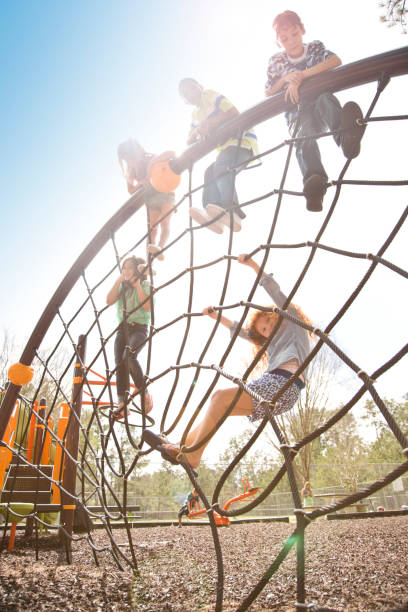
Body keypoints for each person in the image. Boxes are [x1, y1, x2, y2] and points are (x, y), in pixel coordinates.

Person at [145, 254, 314, 469]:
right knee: (219, 406)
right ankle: (183, 446)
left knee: (219, 397)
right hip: (271, 385)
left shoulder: (294, 323)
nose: (268, 329)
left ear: (276, 315)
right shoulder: (270, 344)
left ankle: (194, 455)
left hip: (284, 386)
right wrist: (218, 317)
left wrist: (253, 265)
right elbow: (244, 333)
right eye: (263, 329)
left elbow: (275, 292)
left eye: (269, 322)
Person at [265, 10, 365, 212]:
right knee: (304, 133)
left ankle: (347, 138)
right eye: (284, 38)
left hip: (319, 103)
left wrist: (301, 75)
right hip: (297, 111)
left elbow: (335, 61)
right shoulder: (277, 61)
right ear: (278, 42)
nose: (291, 41)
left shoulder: (314, 48)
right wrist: (285, 79)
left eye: (294, 34)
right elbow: (268, 90)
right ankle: (314, 183)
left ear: (302, 30)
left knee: (326, 100)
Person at [179, 78, 259, 233]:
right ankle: (213, 215)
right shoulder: (195, 115)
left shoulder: (208, 95)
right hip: (227, 149)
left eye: (192, 88)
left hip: (242, 143)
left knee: (221, 167)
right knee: (210, 172)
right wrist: (198, 130)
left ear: (200, 86)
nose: (190, 94)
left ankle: (232, 209)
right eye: (186, 94)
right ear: (186, 101)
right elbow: (189, 141)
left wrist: (211, 122)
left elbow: (233, 112)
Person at [106, 255, 153, 420]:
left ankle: (143, 391)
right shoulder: (122, 288)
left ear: (137, 270)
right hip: (122, 329)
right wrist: (119, 281)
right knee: (120, 365)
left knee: (129, 357)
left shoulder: (146, 284)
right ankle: (122, 404)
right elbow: (109, 300)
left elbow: (147, 307)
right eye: (123, 268)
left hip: (139, 329)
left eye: (130, 268)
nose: (126, 271)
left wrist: (138, 285)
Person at [117, 139, 177, 260]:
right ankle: (149, 262)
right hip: (150, 199)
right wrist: (140, 184)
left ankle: (160, 248)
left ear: (138, 150)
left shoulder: (151, 158)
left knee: (165, 223)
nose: (130, 161)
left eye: (130, 156)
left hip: (165, 193)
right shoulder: (132, 170)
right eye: (126, 159)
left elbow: (172, 153)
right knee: (152, 230)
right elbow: (130, 190)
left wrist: (151, 164)